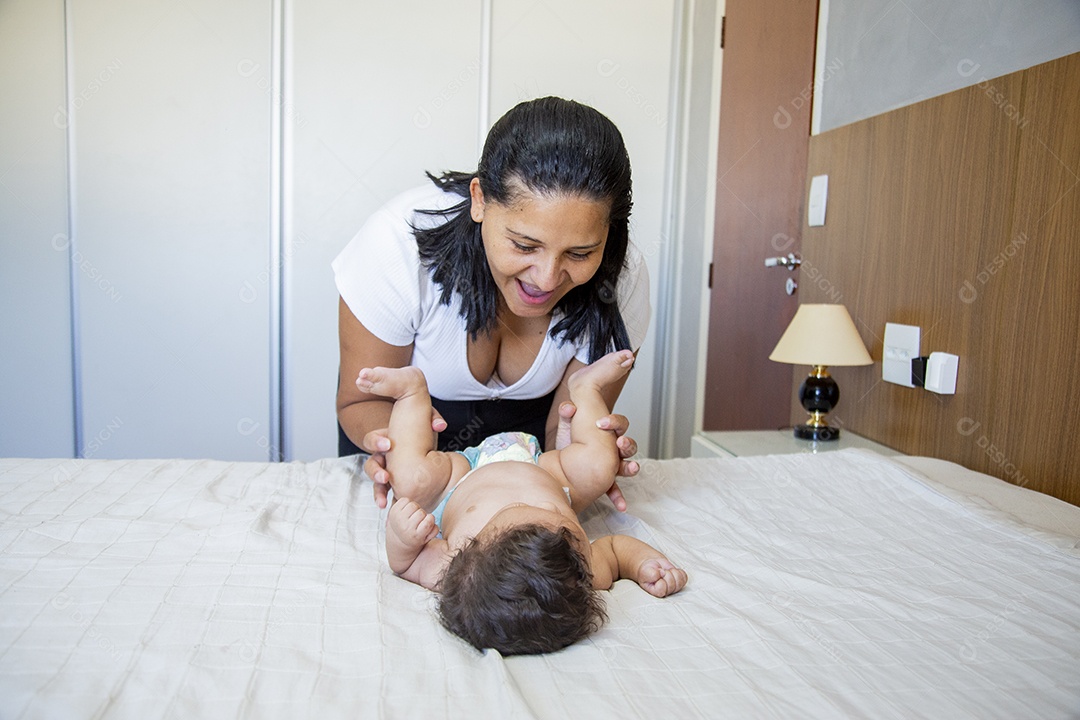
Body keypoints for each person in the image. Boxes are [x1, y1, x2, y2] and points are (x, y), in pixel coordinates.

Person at [333, 96, 650, 511]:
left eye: (579, 254)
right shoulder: (397, 246)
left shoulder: (621, 280)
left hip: (532, 455)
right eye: (523, 244)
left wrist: (585, 459)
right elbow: (361, 400)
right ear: (480, 199)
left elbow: (563, 432)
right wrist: (397, 452)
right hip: (410, 439)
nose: (547, 278)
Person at [357, 349, 687, 655]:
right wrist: (646, 563)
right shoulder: (580, 568)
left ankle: (411, 393)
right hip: (545, 470)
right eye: (553, 516)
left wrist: (402, 535)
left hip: (463, 477)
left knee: (411, 480)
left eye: (513, 520)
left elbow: (405, 563)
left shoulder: (453, 570)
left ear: (471, 557)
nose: (527, 510)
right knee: (600, 466)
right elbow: (615, 550)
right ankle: (586, 388)